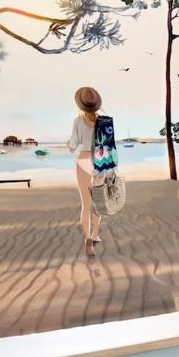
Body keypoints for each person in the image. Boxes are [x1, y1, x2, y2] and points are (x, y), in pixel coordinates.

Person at [67, 86, 104, 258]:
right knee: (97, 202)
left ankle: (88, 239)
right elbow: (109, 146)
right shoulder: (104, 122)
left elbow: (73, 146)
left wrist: (68, 144)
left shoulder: (77, 121)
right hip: (100, 160)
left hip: (84, 159)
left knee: (86, 203)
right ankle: (95, 234)